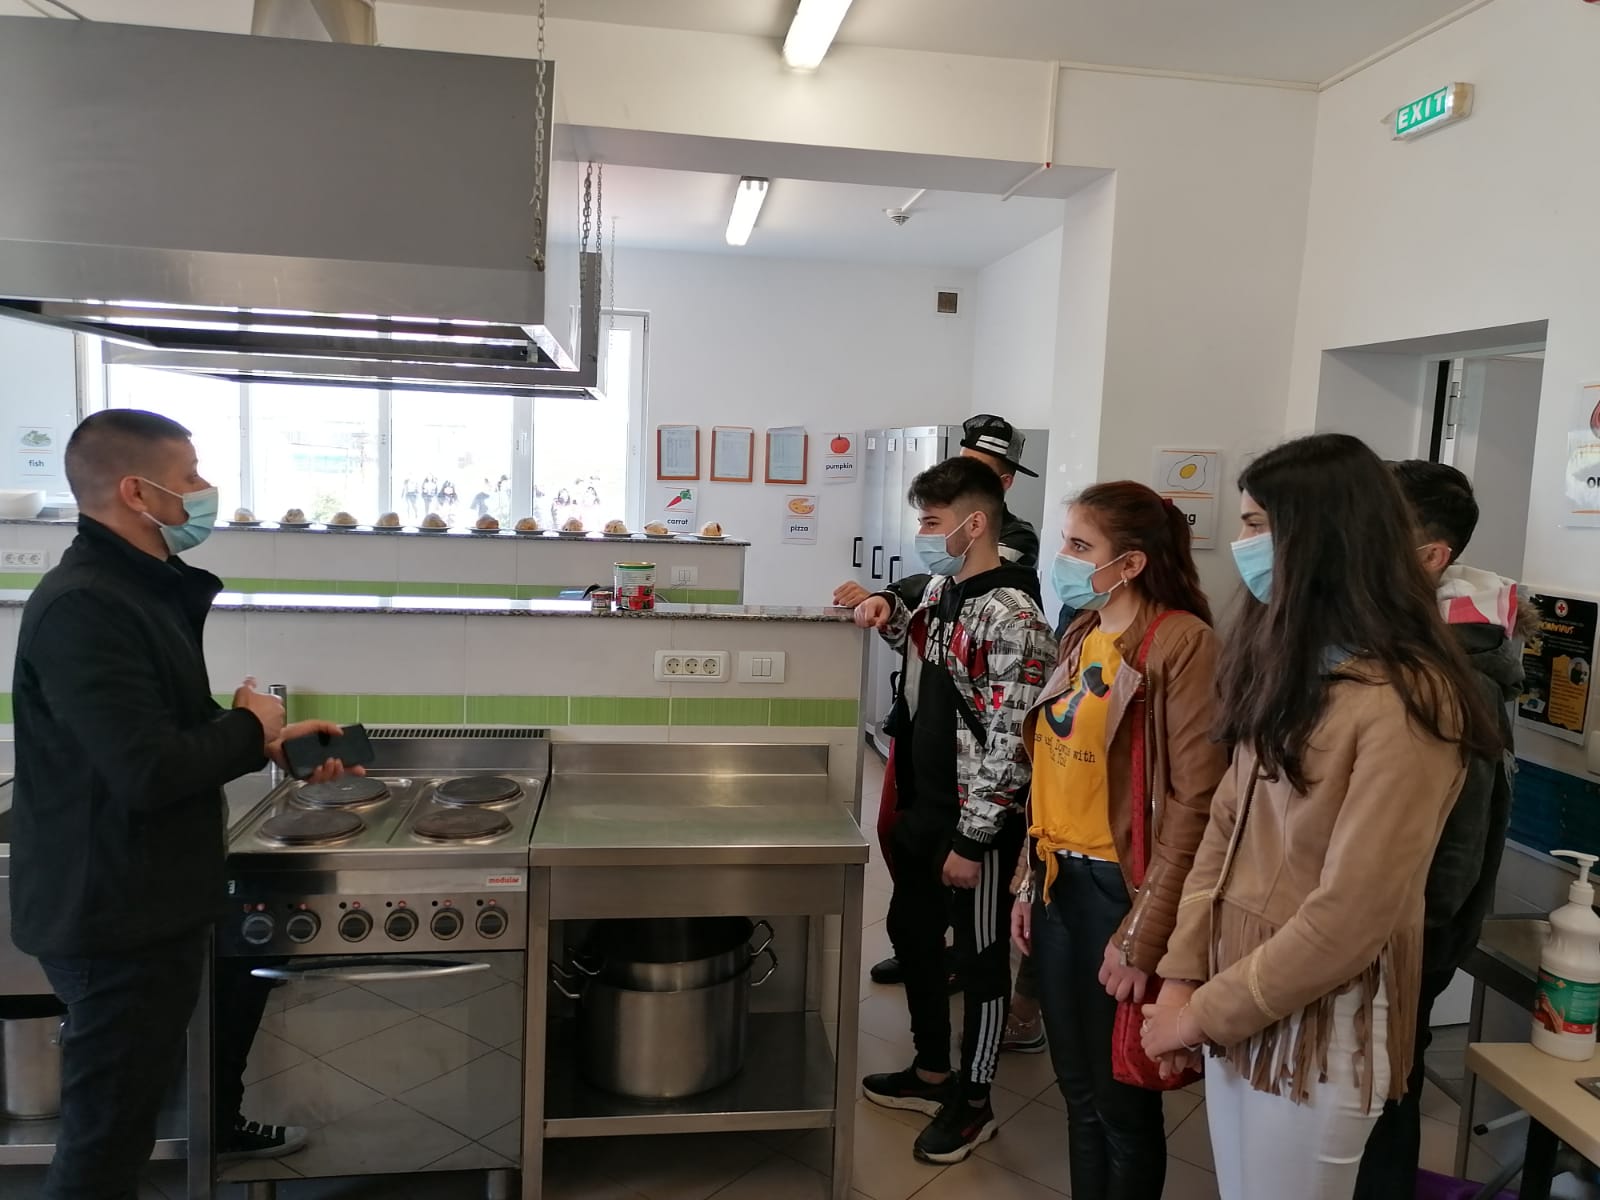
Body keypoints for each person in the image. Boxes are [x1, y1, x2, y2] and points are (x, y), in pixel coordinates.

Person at [9, 410, 359, 1199]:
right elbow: (146, 769)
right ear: (137, 492)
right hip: (114, 916)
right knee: (104, 1147)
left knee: (120, 1126)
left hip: (146, 904)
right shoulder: (87, 605)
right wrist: (248, 725)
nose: (204, 491)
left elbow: (158, 728)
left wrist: (271, 741)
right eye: (191, 476)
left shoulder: (136, 590)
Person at [1141, 433, 1500, 1200]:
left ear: (1321, 539)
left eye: (1254, 525)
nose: (1241, 545)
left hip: (1320, 1023)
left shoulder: (1408, 697)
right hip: (1238, 991)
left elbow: (1351, 915)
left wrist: (1200, 1014)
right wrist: (1180, 978)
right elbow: (1223, 833)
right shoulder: (1288, 662)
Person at [1009, 482, 1227, 1200]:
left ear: (1130, 563)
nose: (1064, 559)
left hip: (1121, 891)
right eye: (1065, 542)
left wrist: (1143, 934)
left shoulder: (1180, 643)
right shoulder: (1081, 631)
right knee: (1077, 1091)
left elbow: (1195, 803)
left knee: (1123, 1102)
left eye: (1081, 546)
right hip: (1056, 880)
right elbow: (1049, 768)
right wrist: (1025, 879)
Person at [854, 455, 1056, 1163]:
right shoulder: (945, 590)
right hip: (923, 802)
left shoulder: (1016, 617)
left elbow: (1012, 740)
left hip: (976, 824)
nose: (921, 533)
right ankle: (931, 1070)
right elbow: (928, 658)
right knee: (913, 936)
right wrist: (885, 611)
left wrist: (973, 842)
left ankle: (974, 1102)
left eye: (931, 521)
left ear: (974, 525)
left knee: (980, 962)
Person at [1354, 461, 1529, 1198]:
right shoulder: (1391, 643)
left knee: (1383, 1094)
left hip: (1398, 940)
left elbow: (1457, 847)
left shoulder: (1458, 673)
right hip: (1365, 931)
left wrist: (1404, 951)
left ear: (1431, 557)